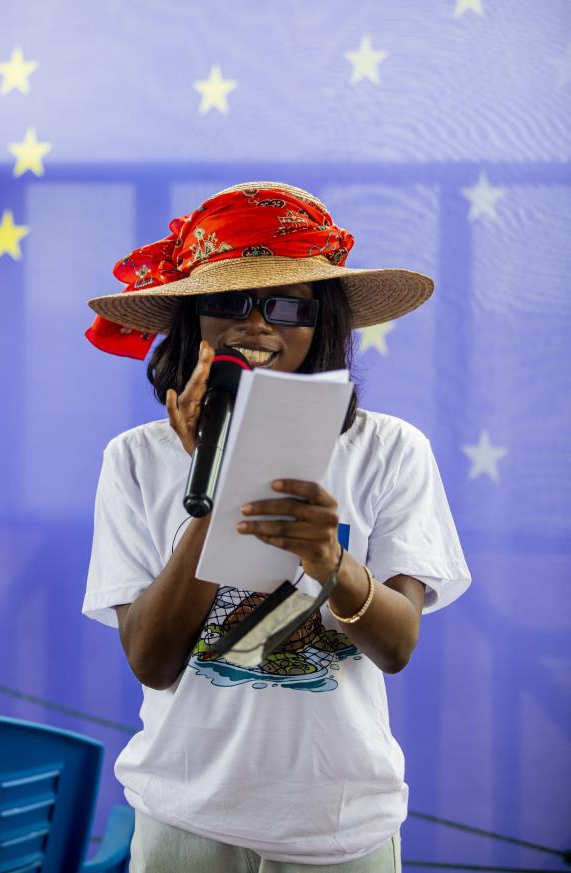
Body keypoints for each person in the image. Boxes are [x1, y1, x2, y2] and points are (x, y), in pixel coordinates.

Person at [82, 181, 472, 873]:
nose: (257, 325)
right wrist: (222, 481)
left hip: (342, 827)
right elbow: (152, 660)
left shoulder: (391, 449)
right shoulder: (135, 459)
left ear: (322, 324)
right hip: (183, 821)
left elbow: (398, 644)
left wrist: (330, 559)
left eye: (289, 304)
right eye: (228, 302)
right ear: (192, 320)